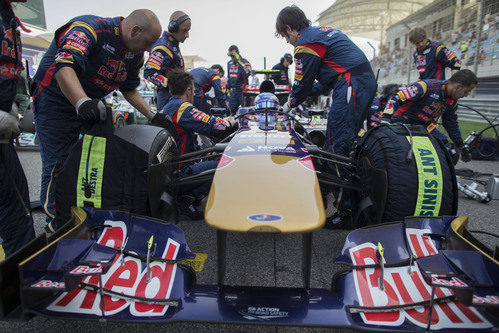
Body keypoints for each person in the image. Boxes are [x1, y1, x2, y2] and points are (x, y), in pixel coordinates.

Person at [32, 10, 162, 232]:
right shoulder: (89, 28)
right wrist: (82, 102)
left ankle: (86, 212)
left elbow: (128, 88)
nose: (149, 50)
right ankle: (55, 227)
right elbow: (64, 67)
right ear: (134, 30)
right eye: (148, 42)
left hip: (91, 103)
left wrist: (153, 115)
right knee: (58, 163)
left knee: (97, 158)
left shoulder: (135, 53)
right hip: (56, 101)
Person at [276, 5, 377, 226]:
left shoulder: (304, 44)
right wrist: (301, 95)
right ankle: (355, 199)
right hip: (356, 82)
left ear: (289, 28)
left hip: (352, 83)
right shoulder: (323, 33)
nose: (287, 41)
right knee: (344, 145)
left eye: (285, 36)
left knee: (335, 149)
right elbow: (321, 85)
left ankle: (347, 211)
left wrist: (288, 105)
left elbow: (302, 84)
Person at [159, 69, 235, 210]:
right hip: (178, 174)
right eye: (193, 90)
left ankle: (186, 196)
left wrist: (204, 152)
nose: (194, 93)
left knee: (211, 155)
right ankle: (187, 199)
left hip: (166, 172)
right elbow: (216, 126)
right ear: (188, 90)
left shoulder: (168, 106)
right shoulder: (182, 108)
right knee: (227, 165)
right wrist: (231, 121)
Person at [0, 0, 35, 257]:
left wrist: (9, 103)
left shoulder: (6, 13)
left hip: (3, 140)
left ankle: (21, 286)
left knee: (18, 213)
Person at [383, 69, 477, 162]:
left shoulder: (452, 102)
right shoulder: (425, 86)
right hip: (402, 121)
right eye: (467, 91)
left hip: (426, 126)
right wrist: (385, 119)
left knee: (451, 152)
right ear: (458, 87)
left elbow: (451, 125)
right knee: (399, 150)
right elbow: (397, 98)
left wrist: (461, 146)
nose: (466, 95)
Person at [144, 11, 190, 110]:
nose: (187, 35)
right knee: (168, 125)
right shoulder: (164, 46)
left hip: (174, 99)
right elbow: (149, 72)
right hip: (168, 100)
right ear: (173, 28)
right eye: (185, 30)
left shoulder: (172, 45)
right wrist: (173, 85)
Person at [226, 44, 251, 113]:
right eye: (230, 55)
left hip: (243, 90)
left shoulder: (245, 62)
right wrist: (227, 88)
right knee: (232, 109)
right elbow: (229, 76)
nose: (232, 57)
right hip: (233, 90)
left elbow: (246, 74)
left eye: (233, 55)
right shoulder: (229, 63)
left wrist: (239, 62)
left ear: (238, 53)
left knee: (245, 110)